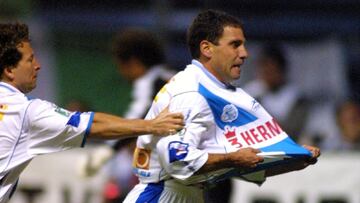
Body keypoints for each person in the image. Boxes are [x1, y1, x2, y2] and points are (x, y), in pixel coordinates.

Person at [123, 9, 320, 203]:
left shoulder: (215, 92)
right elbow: (177, 159)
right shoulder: (192, 93)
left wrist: (295, 161)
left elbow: (245, 163)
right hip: (162, 196)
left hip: (187, 194)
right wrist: (232, 158)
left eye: (243, 45)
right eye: (235, 45)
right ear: (207, 48)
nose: (244, 53)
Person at [0, 22, 184, 203]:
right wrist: (151, 125)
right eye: (30, 59)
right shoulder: (26, 111)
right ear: (9, 70)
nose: (38, 65)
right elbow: (93, 124)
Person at [243, 43, 310, 141]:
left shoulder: (297, 98)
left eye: (272, 70)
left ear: (282, 70)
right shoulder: (250, 93)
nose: (268, 75)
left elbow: (292, 131)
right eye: (264, 69)